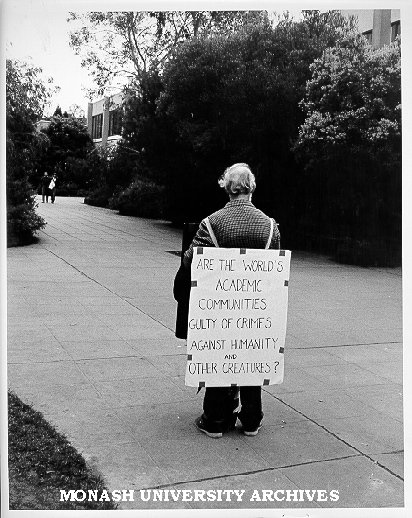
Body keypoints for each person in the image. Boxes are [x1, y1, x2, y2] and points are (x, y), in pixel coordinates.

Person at [182, 163, 281, 438]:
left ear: (226, 187)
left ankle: (214, 420)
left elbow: (191, 259)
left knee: (218, 352)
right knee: (252, 353)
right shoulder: (270, 227)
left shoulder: (211, 223)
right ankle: (251, 420)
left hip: (218, 305)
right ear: (252, 187)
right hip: (255, 305)